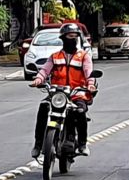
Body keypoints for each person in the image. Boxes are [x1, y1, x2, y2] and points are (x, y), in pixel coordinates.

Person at [29, 24, 97, 158]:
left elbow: (89, 72)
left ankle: (82, 144)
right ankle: (38, 144)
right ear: (63, 38)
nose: (72, 39)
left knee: (80, 112)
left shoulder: (84, 56)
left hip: (77, 93)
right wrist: (38, 79)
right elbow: (45, 70)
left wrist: (90, 85)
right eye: (70, 36)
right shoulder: (55, 56)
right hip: (57, 93)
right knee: (43, 107)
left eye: (75, 37)